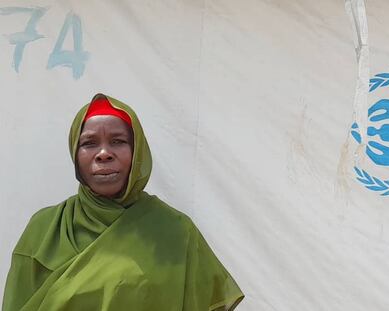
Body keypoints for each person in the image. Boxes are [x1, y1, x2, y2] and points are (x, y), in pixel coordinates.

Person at [2, 93, 244, 311]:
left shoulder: (176, 231)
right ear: (75, 154)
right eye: (89, 143)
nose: (104, 153)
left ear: (137, 151)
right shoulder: (45, 230)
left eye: (118, 141)